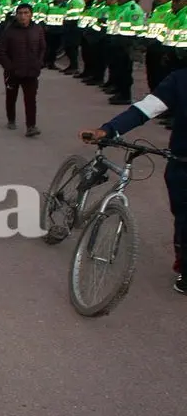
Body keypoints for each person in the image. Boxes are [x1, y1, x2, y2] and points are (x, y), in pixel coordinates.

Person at [79, 69, 187, 291]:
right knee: (184, 219)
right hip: (182, 167)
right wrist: (108, 130)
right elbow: (143, 111)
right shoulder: (180, 80)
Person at [0, 3, 46, 136]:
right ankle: (11, 119)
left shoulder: (37, 29)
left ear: (31, 15)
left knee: (30, 100)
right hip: (13, 72)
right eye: (20, 13)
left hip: (31, 72)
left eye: (26, 13)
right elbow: (1, 52)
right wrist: (10, 67)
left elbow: (42, 48)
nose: (23, 16)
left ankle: (31, 126)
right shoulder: (9, 31)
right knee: (11, 97)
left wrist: (38, 64)